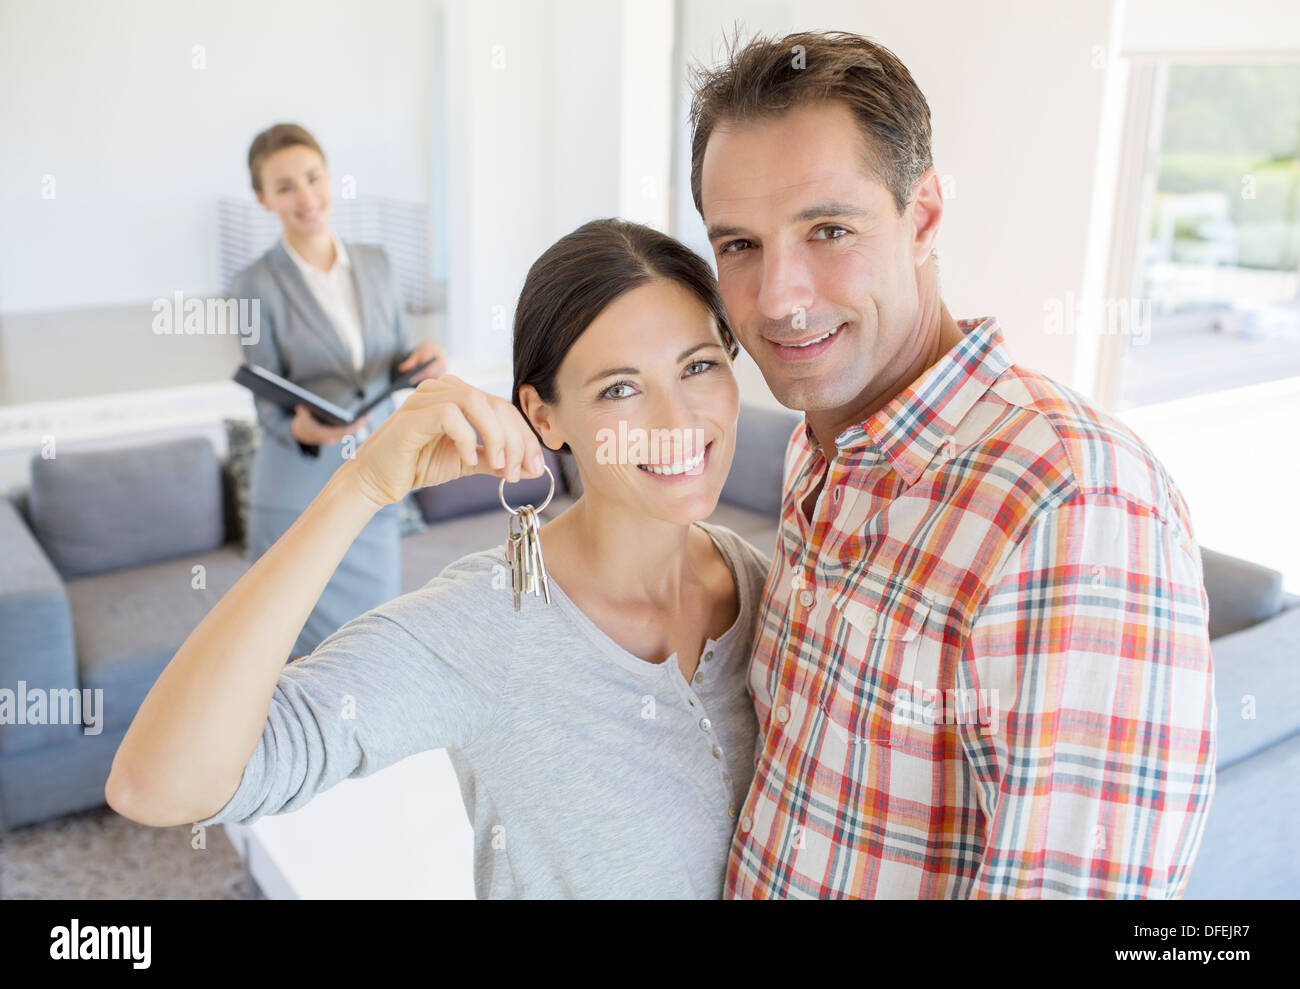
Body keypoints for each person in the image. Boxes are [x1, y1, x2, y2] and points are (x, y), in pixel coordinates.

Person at [688, 30, 1218, 898]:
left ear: (924, 215)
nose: (778, 299)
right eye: (739, 244)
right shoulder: (820, 450)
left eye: (828, 229)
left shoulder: (1076, 501)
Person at [105, 219, 771, 899]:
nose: (678, 420)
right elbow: (156, 784)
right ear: (543, 417)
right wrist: (360, 485)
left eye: (698, 365)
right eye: (620, 388)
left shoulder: (764, 587)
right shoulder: (488, 625)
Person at [235, 122, 446, 657]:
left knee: (371, 646)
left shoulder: (378, 262)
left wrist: (424, 364)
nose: (306, 197)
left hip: (373, 476)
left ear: (329, 177)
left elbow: (396, 359)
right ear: (263, 199)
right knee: (294, 657)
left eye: (313, 177)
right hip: (297, 492)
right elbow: (267, 405)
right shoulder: (255, 284)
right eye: (285, 187)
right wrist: (299, 427)